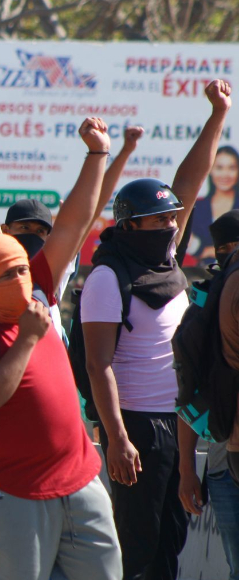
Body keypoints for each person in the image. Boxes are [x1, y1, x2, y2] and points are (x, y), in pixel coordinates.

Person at [0, 118, 121, 579]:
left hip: (81, 480)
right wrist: (29, 340)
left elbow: (74, 224)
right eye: (8, 275)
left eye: (23, 270)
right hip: (13, 494)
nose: (23, 281)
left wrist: (97, 155)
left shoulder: (35, 286)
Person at [83, 81, 231, 580]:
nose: (171, 225)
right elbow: (97, 363)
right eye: (158, 220)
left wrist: (217, 116)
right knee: (139, 550)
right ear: (129, 227)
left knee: (171, 541)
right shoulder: (108, 276)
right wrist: (117, 438)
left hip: (180, 420)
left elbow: (188, 183)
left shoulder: (165, 256)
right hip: (137, 427)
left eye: (173, 218)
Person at [177, 209, 239, 580]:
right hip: (221, 463)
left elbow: (188, 388)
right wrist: (187, 469)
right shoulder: (207, 305)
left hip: (219, 462)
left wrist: (188, 468)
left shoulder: (203, 303)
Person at [188, 145, 239, 263]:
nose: (225, 174)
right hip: (199, 273)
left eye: (231, 168)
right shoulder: (197, 207)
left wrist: (208, 251)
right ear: (210, 170)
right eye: (219, 168)